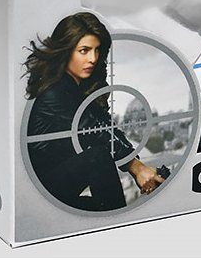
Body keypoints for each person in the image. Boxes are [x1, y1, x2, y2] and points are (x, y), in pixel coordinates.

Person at [24, 12, 164, 212]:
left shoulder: (77, 90)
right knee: (97, 157)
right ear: (66, 51)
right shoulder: (54, 93)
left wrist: (138, 166)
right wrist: (136, 167)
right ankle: (117, 223)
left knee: (100, 206)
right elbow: (93, 130)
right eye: (84, 50)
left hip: (59, 188)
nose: (93, 58)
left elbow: (107, 127)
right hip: (41, 190)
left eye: (97, 50)